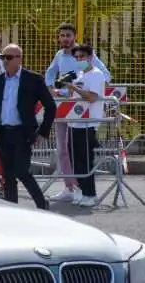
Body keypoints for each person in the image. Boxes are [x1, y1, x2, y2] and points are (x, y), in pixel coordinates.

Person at [0, 44, 56, 210]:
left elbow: (51, 106)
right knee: (8, 174)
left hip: (23, 132)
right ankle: (12, 208)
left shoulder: (33, 79)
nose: (4, 61)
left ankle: (42, 204)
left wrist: (43, 132)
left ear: (19, 59)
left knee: (21, 170)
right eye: (3, 57)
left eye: (8, 57)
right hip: (4, 133)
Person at [45, 23, 111, 204]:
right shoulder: (59, 55)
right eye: (62, 35)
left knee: (78, 151)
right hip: (62, 107)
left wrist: (82, 87)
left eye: (68, 35)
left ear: (75, 36)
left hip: (82, 112)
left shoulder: (86, 56)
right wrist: (52, 88)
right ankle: (69, 187)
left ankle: (82, 189)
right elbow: (50, 74)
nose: (65, 38)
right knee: (63, 150)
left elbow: (105, 76)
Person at [61, 43, 106, 208]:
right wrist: (63, 91)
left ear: (90, 57)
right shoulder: (79, 74)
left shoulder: (96, 75)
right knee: (75, 160)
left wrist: (74, 88)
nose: (79, 60)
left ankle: (90, 194)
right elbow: (74, 94)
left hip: (88, 124)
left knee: (85, 160)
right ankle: (81, 190)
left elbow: (92, 97)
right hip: (75, 122)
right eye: (77, 57)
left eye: (82, 56)